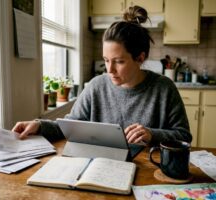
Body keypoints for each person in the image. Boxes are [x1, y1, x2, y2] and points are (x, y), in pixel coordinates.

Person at [12, 5, 192, 146]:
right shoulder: (96, 86)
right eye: (106, 60)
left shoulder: (164, 88)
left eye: (119, 62)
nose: (109, 69)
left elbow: (184, 136)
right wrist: (39, 125)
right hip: (101, 165)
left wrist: (152, 134)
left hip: (149, 169)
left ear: (140, 58)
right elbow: (71, 125)